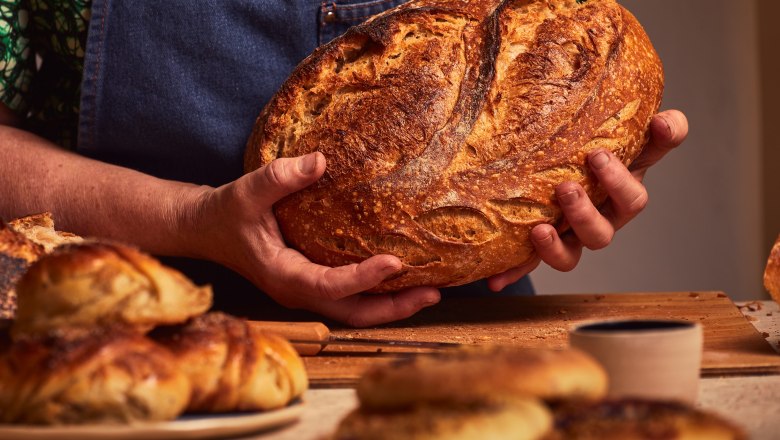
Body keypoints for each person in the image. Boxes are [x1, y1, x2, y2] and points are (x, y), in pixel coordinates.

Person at [0, 0, 688, 327]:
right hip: (145, 347)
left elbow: (558, 57)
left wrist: (571, 166)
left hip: (469, 339)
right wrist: (187, 216)